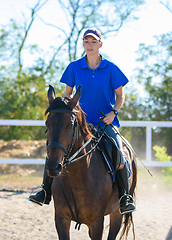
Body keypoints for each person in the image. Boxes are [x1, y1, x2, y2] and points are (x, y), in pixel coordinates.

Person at [29, 28, 136, 214]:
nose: (90, 45)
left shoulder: (111, 68)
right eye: (86, 41)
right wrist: (68, 112)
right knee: (54, 149)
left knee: (118, 152)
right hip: (78, 123)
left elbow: (120, 96)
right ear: (83, 44)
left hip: (104, 123)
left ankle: (124, 197)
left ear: (100, 44)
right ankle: (45, 191)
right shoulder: (73, 67)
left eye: (93, 41)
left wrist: (114, 113)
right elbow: (67, 95)